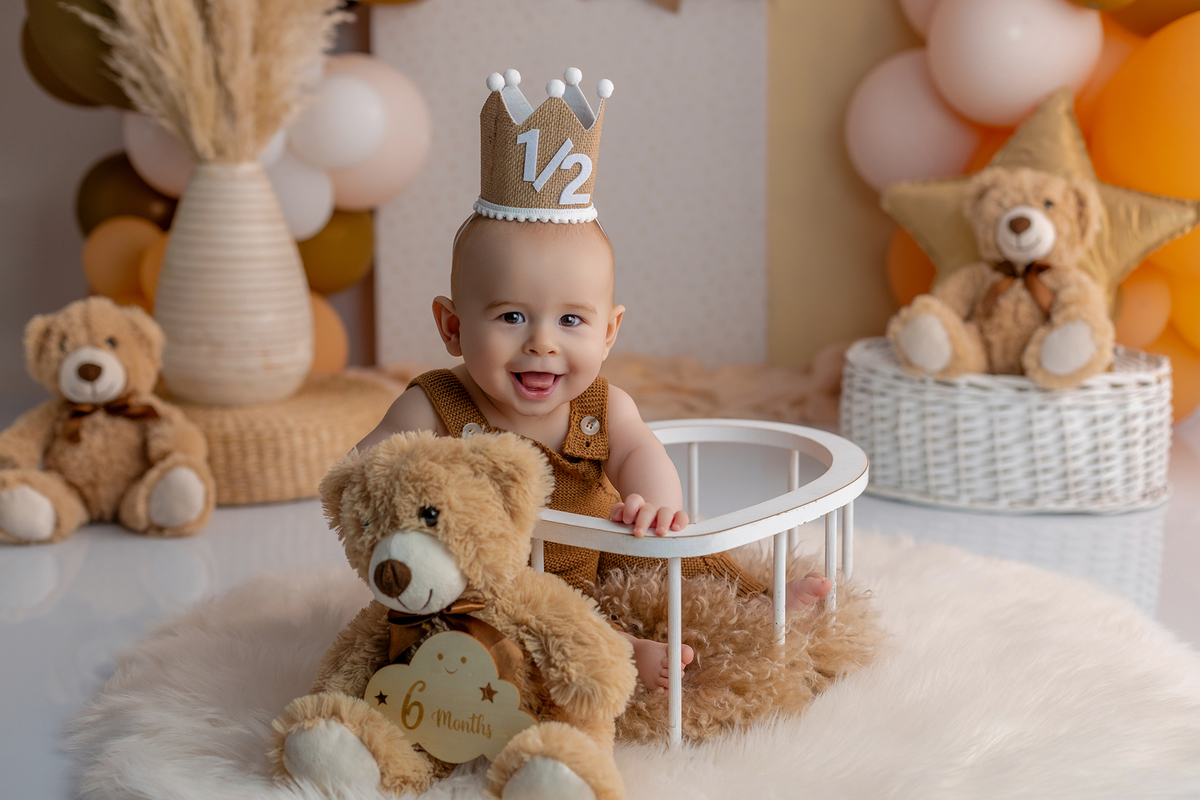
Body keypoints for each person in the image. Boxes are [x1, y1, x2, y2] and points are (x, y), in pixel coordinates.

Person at [357, 68, 831, 692]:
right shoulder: (434, 405)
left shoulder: (602, 406)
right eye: (511, 316)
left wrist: (654, 502)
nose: (542, 342)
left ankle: (761, 593)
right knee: (498, 615)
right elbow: (369, 466)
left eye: (572, 320)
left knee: (693, 552)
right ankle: (621, 653)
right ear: (452, 326)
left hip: (604, 554)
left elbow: (640, 449)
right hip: (506, 576)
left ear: (609, 333)